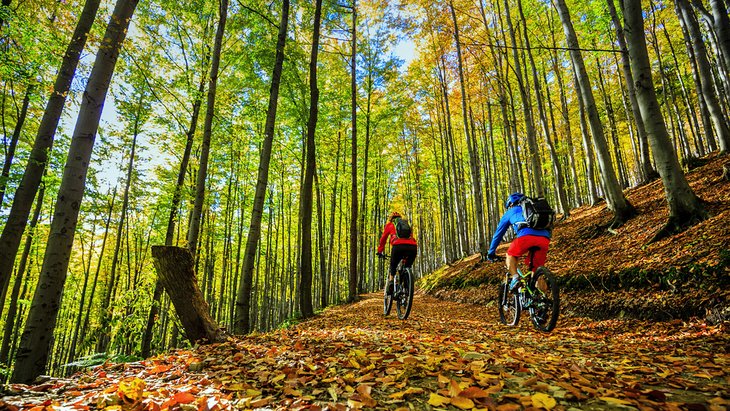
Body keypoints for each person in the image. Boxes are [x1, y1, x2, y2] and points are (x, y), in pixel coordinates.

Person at [487, 193, 551, 291]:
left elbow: (498, 234)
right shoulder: (533, 209)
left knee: (510, 255)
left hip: (526, 238)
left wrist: (491, 253)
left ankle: (515, 278)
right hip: (544, 239)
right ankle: (542, 300)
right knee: (537, 272)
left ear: (510, 204)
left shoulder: (510, 212)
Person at [376, 211, 418, 295]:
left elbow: (383, 239)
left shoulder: (390, 225)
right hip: (412, 247)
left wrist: (380, 251)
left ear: (391, 219)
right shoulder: (407, 225)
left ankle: (391, 282)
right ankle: (407, 285)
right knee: (407, 266)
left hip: (398, 247)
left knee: (393, 265)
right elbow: (411, 238)